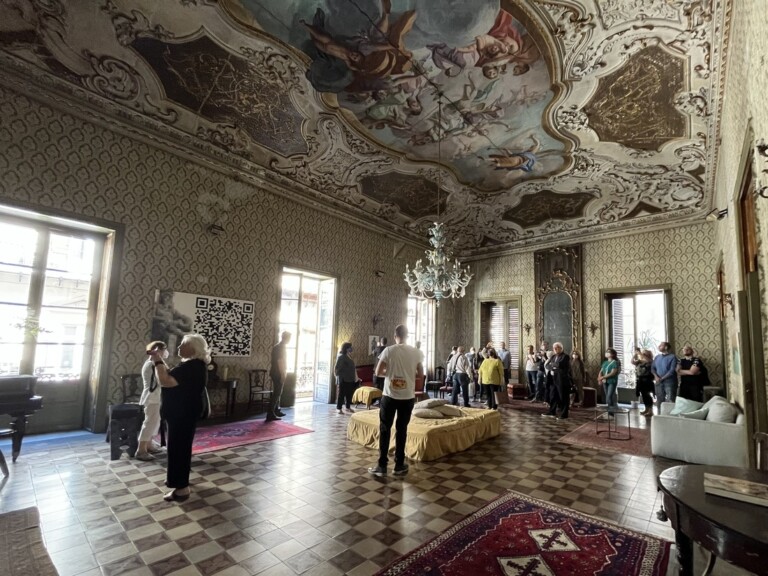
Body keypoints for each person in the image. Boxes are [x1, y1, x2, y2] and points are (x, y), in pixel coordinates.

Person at [148, 333, 209, 502]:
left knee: (178, 449)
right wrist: (159, 361)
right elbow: (170, 375)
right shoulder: (191, 365)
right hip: (182, 413)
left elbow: (165, 380)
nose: (179, 347)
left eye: (183, 344)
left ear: (193, 349)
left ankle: (181, 488)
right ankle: (179, 479)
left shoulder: (193, 366)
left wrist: (158, 361)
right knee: (180, 448)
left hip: (182, 414)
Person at [368, 324, 423, 477]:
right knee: (402, 430)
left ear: (394, 335)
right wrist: (407, 374)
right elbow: (420, 373)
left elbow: (378, 372)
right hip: (407, 397)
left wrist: (391, 372)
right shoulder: (415, 352)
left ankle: (382, 465)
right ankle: (399, 465)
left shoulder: (388, 350)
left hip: (389, 395)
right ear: (408, 335)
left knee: (385, 429)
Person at [135, 340, 167, 461]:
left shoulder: (153, 363)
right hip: (152, 397)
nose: (165, 352)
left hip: (156, 396)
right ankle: (141, 449)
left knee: (155, 421)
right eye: (163, 350)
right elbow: (159, 380)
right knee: (149, 422)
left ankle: (149, 444)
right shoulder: (152, 364)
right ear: (157, 351)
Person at [543, 342, 571, 419]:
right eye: (554, 347)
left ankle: (564, 414)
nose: (555, 349)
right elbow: (547, 365)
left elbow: (560, 364)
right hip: (553, 380)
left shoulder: (565, 356)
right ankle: (552, 411)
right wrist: (554, 366)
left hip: (561, 380)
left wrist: (553, 365)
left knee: (563, 397)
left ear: (561, 348)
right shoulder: (553, 356)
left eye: (557, 347)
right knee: (553, 396)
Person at [268, 331, 291, 422]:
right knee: (277, 393)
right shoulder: (280, 347)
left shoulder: (278, 346)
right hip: (277, 373)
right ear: (286, 338)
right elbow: (280, 361)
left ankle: (276, 410)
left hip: (275, 372)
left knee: (278, 392)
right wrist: (282, 374)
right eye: (289, 338)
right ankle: (270, 413)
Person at [335, 342, 359, 414]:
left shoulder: (349, 356)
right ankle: (339, 408)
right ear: (346, 348)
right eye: (350, 347)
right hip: (344, 379)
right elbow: (337, 369)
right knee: (341, 394)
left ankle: (348, 407)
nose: (352, 348)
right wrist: (338, 378)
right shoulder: (341, 357)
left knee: (349, 394)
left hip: (350, 379)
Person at [652, 341, 678, 408]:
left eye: (661, 345)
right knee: (659, 400)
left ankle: (669, 417)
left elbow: (672, 371)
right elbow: (652, 368)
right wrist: (656, 377)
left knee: (670, 399)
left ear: (666, 347)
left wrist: (662, 378)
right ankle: (660, 415)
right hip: (658, 382)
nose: (659, 346)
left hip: (670, 382)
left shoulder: (673, 357)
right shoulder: (657, 357)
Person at [598, 347, 621, 415]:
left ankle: (611, 413)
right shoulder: (605, 362)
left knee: (609, 396)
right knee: (607, 396)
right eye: (606, 352)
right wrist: (599, 378)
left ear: (613, 354)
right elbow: (601, 371)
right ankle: (609, 410)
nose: (606, 353)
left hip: (612, 381)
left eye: (608, 352)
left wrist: (603, 377)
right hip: (605, 381)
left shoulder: (615, 362)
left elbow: (613, 372)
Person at [636, 349, 655, 416]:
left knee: (648, 395)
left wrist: (640, 353)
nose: (643, 355)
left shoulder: (650, 361)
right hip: (640, 380)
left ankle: (650, 410)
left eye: (645, 354)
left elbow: (649, 360)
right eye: (643, 353)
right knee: (643, 396)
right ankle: (646, 409)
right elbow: (632, 362)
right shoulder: (640, 361)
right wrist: (636, 354)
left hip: (647, 380)